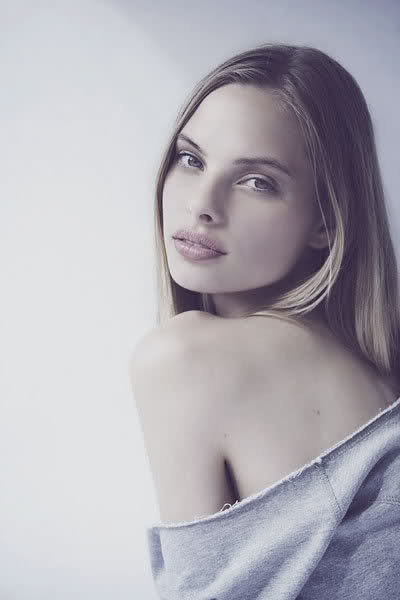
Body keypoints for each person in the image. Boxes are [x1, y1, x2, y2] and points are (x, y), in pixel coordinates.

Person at [130, 42, 400, 599]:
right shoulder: (380, 367)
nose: (202, 205)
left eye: (257, 181)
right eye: (192, 159)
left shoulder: (183, 357)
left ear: (326, 221)